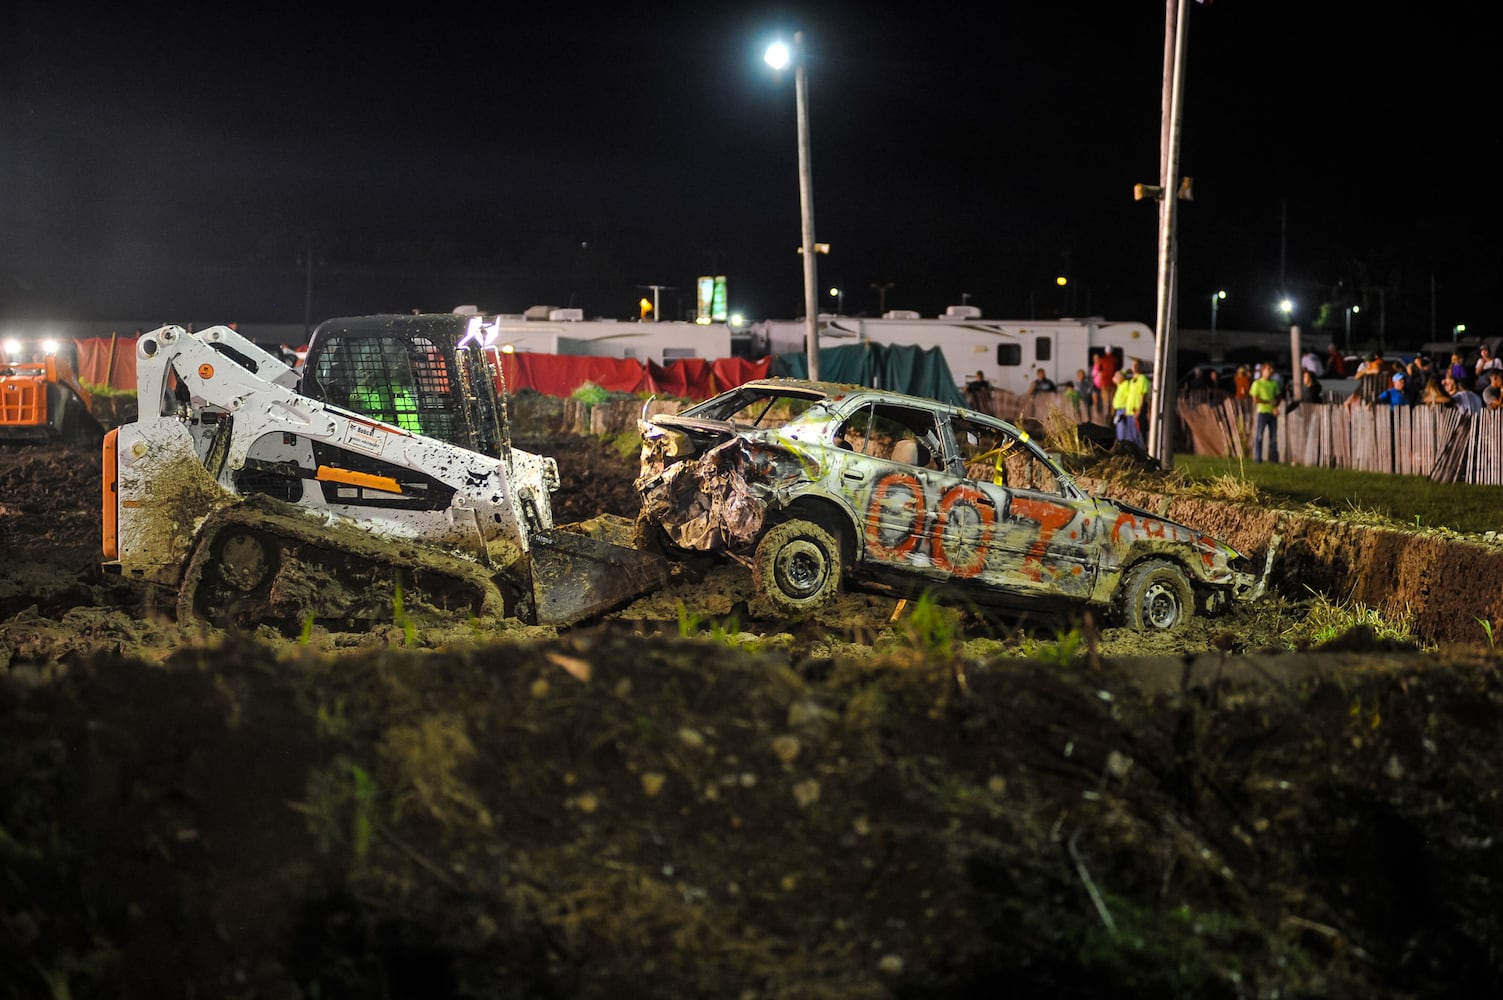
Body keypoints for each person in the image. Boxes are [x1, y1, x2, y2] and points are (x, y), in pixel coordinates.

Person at [1248, 363, 1281, 463]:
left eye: (1271, 370)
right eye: (1267, 370)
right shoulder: (1257, 383)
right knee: (1259, 436)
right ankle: (1258, 458)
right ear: (1263, 371)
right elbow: (1255, 400)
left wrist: (1275, 406)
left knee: (1273, 438)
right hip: (1262, 412)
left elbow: (1278, 397)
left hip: (1272, 413)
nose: (1269, 372)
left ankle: (1273, 459)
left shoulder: (1274, 384)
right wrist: (1269, 402)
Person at [1110, 370, 1142, 446]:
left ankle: (1127, 446)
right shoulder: (1120, 385)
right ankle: (1123, 446)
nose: (1115, 378)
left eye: (1117, 376)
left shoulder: (1126, 385)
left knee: (1124, 431)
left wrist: (1126, 410)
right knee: (1120, 430)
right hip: (1119, 410)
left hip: (1123, 410)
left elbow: (1129, 398)